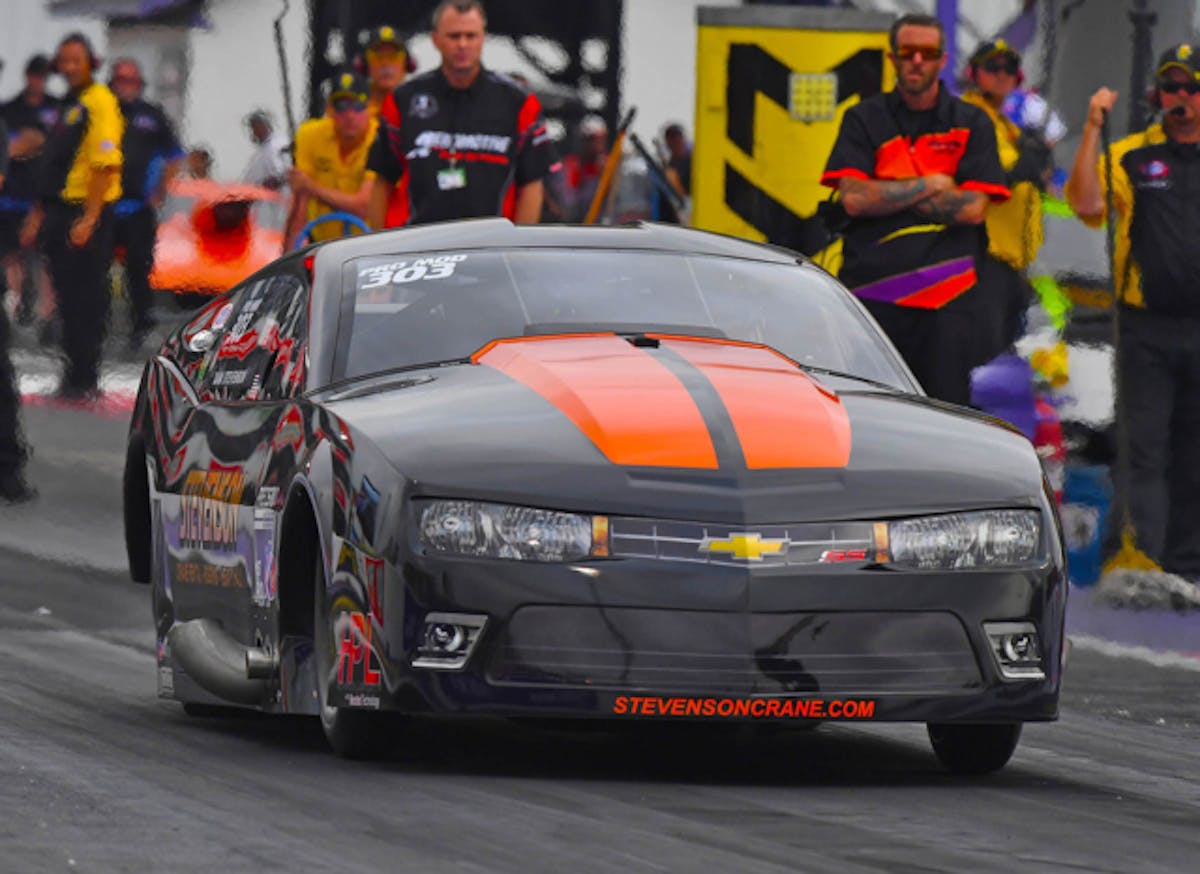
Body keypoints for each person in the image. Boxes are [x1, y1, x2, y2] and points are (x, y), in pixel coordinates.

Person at [820, 13, 1008, 406]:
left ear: (942, 60)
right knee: (869, 419)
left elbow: (973, 209)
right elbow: (854, 199)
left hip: (948, 305)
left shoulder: (972, 122)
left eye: (927, 53)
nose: (917, 61)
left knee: (945, 422)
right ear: (893, 59)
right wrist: (933, 184)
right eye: (908, 53)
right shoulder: (863, 118)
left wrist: (887, 195)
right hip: (871, 305)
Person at [1065, 44, 1200, 581]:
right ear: (1157, 95)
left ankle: (1188, 564)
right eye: (1172, 87)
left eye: (1192, 87)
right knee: (1145, 449)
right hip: (1147, 328)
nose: (1182, 98)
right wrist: (1092, 128)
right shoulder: (1131, 155)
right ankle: (1141, 558)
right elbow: (1086, 204)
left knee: (1195, 452)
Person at [367, 0, 557, 228]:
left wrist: (518, 247)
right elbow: (382, 181)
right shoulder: (403, 100)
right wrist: (380, 249)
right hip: (417, 247)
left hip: (491, 247)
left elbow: (532, 185)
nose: (462, 44)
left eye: (471, 36)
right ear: (436, 39)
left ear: (483, 38)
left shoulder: (519, 102)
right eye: (454, 36)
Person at [20, 33, 124, 399]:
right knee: (66, 294)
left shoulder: (100, 102)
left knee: (86, 297)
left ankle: (85, 375)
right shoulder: (71, 103)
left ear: (90, 62)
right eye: (63, 60)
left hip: (86, 210)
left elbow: (104, 165)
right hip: (61, 209)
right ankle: (73, 371)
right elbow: (54, 162)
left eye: (75, 60)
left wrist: (90, 217)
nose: (68, 67)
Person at [959, 40, 1053, 365]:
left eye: (1009, 69)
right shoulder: (969, 116)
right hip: (983, 257)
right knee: (983, 360)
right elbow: (988, 176)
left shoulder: (1009, 126)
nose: (1001, 75)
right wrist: (1023, 166)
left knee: (1003, 357)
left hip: (1012, 262)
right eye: (992, 68)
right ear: (973, 74)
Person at [109, 58, 185, 350]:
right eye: (121, 80)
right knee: (97, 269)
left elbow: (175, 155)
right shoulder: (103, 112)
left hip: (138, 207)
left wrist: (160, 189)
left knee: (139, 269)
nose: (126, 86)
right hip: (103, 207)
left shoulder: (152, 115)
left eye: (132, 81)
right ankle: (98, 325)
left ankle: (141, 327)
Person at [286, 70, 378, 247]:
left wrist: (312, 187)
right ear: (329, 109)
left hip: (372, 247)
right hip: (322, 246)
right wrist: (287, 261)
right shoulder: (309, 135)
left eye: (358, 106)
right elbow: (300, 201)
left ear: (370, 108)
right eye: (341, 106)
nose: (350, 115)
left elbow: (365, 207)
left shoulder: (381, 139)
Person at [0, 54, 59, 331]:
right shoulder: (10, 110)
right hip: (12, 194)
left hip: (44, 194)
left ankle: (47, 314)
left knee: (45, 257)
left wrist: (35, 144)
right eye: (35, 75)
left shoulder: (57, 109)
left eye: (43, 76)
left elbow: (55, 145)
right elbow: (13, 148)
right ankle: (18, 306)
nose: (38, 81)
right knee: (11, 254)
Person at [361, 25, 412, 227]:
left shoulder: (421, 115)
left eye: (393, 56)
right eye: (377, 56)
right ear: (364, 64)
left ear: (407, 63)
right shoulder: (350, 116)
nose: (385, 64)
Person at [562, 115, 607, 222]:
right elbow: (568, 200)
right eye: (591, 139)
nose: (597, 144)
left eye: (600, 139)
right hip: (579, 222)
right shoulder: (573, 164)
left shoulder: (609, 165)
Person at [242, 110, 288, 190]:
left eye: (255, 127)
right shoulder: (261, 151)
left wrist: (271, 182)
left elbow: (282, 174)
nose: (254, 132)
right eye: (253, 128)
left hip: (280, 199)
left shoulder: (276, 145)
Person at [662, 122, 692, 196]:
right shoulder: (668, 165)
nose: (673, 141)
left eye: (676, 137)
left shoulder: (694, 162)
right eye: (670, 137)